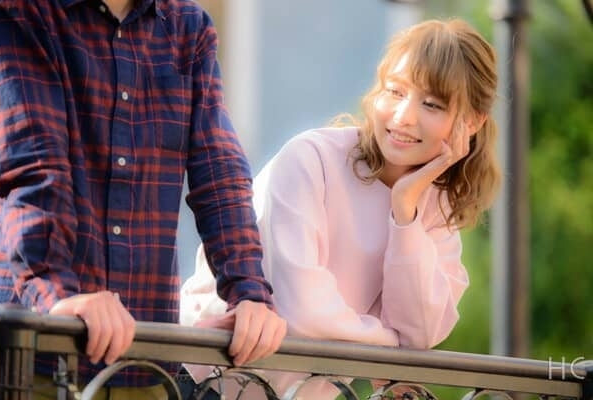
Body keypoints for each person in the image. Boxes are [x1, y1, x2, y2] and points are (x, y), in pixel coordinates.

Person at [181, 17, 501, 399]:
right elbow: (304, 314)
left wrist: (404, 212)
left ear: (472, 122)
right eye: (395, 91)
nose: (404, 117)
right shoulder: (310, 160)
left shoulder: (432, 209)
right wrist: (392, 348)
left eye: (431, 104)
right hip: (203, 382)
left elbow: (421, 334)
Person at [0, 0, 286, 399]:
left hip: (144, 363)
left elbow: (218, 171)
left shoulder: (188, 27)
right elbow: (33, 164)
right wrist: (60, 294)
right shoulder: (23, 11)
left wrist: (249, 292)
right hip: (36, 351)